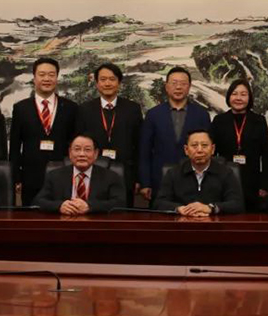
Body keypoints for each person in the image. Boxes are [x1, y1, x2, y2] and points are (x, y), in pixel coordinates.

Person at [9, 57, 78, 205]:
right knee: (31, 216)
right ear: (34, 78)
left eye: (51, 75)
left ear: (57, 78)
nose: (47, 79)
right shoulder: (21, 108)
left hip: (63, 175)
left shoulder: (71, 107)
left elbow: (75, 143)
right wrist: (16, 177)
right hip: (30, 176)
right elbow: (15, 146)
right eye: (42, 74)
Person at [138, 67, 211, 202]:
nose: (178, 87)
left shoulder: (201, 114)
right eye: (174, 83)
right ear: (166, 87)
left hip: (194, 180)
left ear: (189, 87)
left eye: (183, 83)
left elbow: (208, 151)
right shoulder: (153, 114)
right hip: (159, 179)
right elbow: (144, 151)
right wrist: (145, 182)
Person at [75, 63, 143, 206]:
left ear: (119, 83)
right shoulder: (85, 109)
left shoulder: (132, 109)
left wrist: (138, 178)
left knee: (123, 214)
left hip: (125, 173)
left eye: (112, 79)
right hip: (93, 172)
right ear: (97, 83)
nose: (107, 83)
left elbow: (139, 145)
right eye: (103, 79)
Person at [210, 79, 268, 212]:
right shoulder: (219, 121)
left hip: (253, 181)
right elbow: (212, 154)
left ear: (249, 98)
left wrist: (265, 185)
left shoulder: (259, 121)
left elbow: (267, 155)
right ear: (229, 97)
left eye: (243, 94)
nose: (238, 98)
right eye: (234, 94)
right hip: (225, 179)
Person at [153, 130, 244, 215]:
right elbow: (159, 203)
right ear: (186, 150)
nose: (199, 150)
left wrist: (211, 208)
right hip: (183, 222)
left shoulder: (226, 173)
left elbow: (237, 204)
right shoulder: (173, 173)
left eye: (204, 145)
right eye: (194, 145)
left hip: (215, 224)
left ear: (212, 149)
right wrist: (179, 209)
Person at [35, 134, 125, 215]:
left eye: (87, 150)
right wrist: (59, 206)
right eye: (77, 149)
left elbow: (120, 203)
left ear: (96, 154)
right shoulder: (54, 175)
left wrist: (90, 206)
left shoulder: (111, 177)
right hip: (64, 223)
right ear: (70, 153)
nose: (82, 154)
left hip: (96, 224)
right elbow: (38, 201)